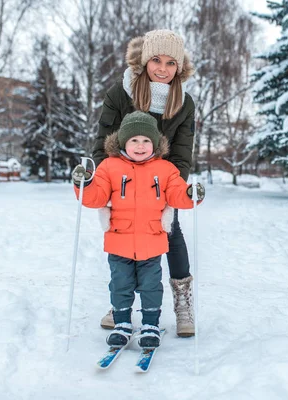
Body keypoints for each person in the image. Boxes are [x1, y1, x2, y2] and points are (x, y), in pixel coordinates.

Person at [91, 29, 197, 337]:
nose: (162, 69)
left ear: (179, 68)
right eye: (155, 60)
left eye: (170, 63)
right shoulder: (119, 94)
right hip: (122, 180)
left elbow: (181, 154)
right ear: (143, 61)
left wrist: (170, 191)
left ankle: (182, 300)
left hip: (161, 183)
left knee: (171, 234)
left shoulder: (184, 103)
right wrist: (108, 182)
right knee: (124, 238)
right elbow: (103, 143)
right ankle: (121, 304)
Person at [72, 111, 205, 348]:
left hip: (152, 242)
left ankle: (150, 324)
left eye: (146, 141)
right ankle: (122, 323)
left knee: (151, 287)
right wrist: (85, 184)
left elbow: (176, 194)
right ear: (124, 142)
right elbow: (95, 198)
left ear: (154, 143)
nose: (140, 146)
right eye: (134, 140)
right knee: (120, 285)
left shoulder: (165, 169)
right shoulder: (109, 167)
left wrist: (189, 195)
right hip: (118, 242)